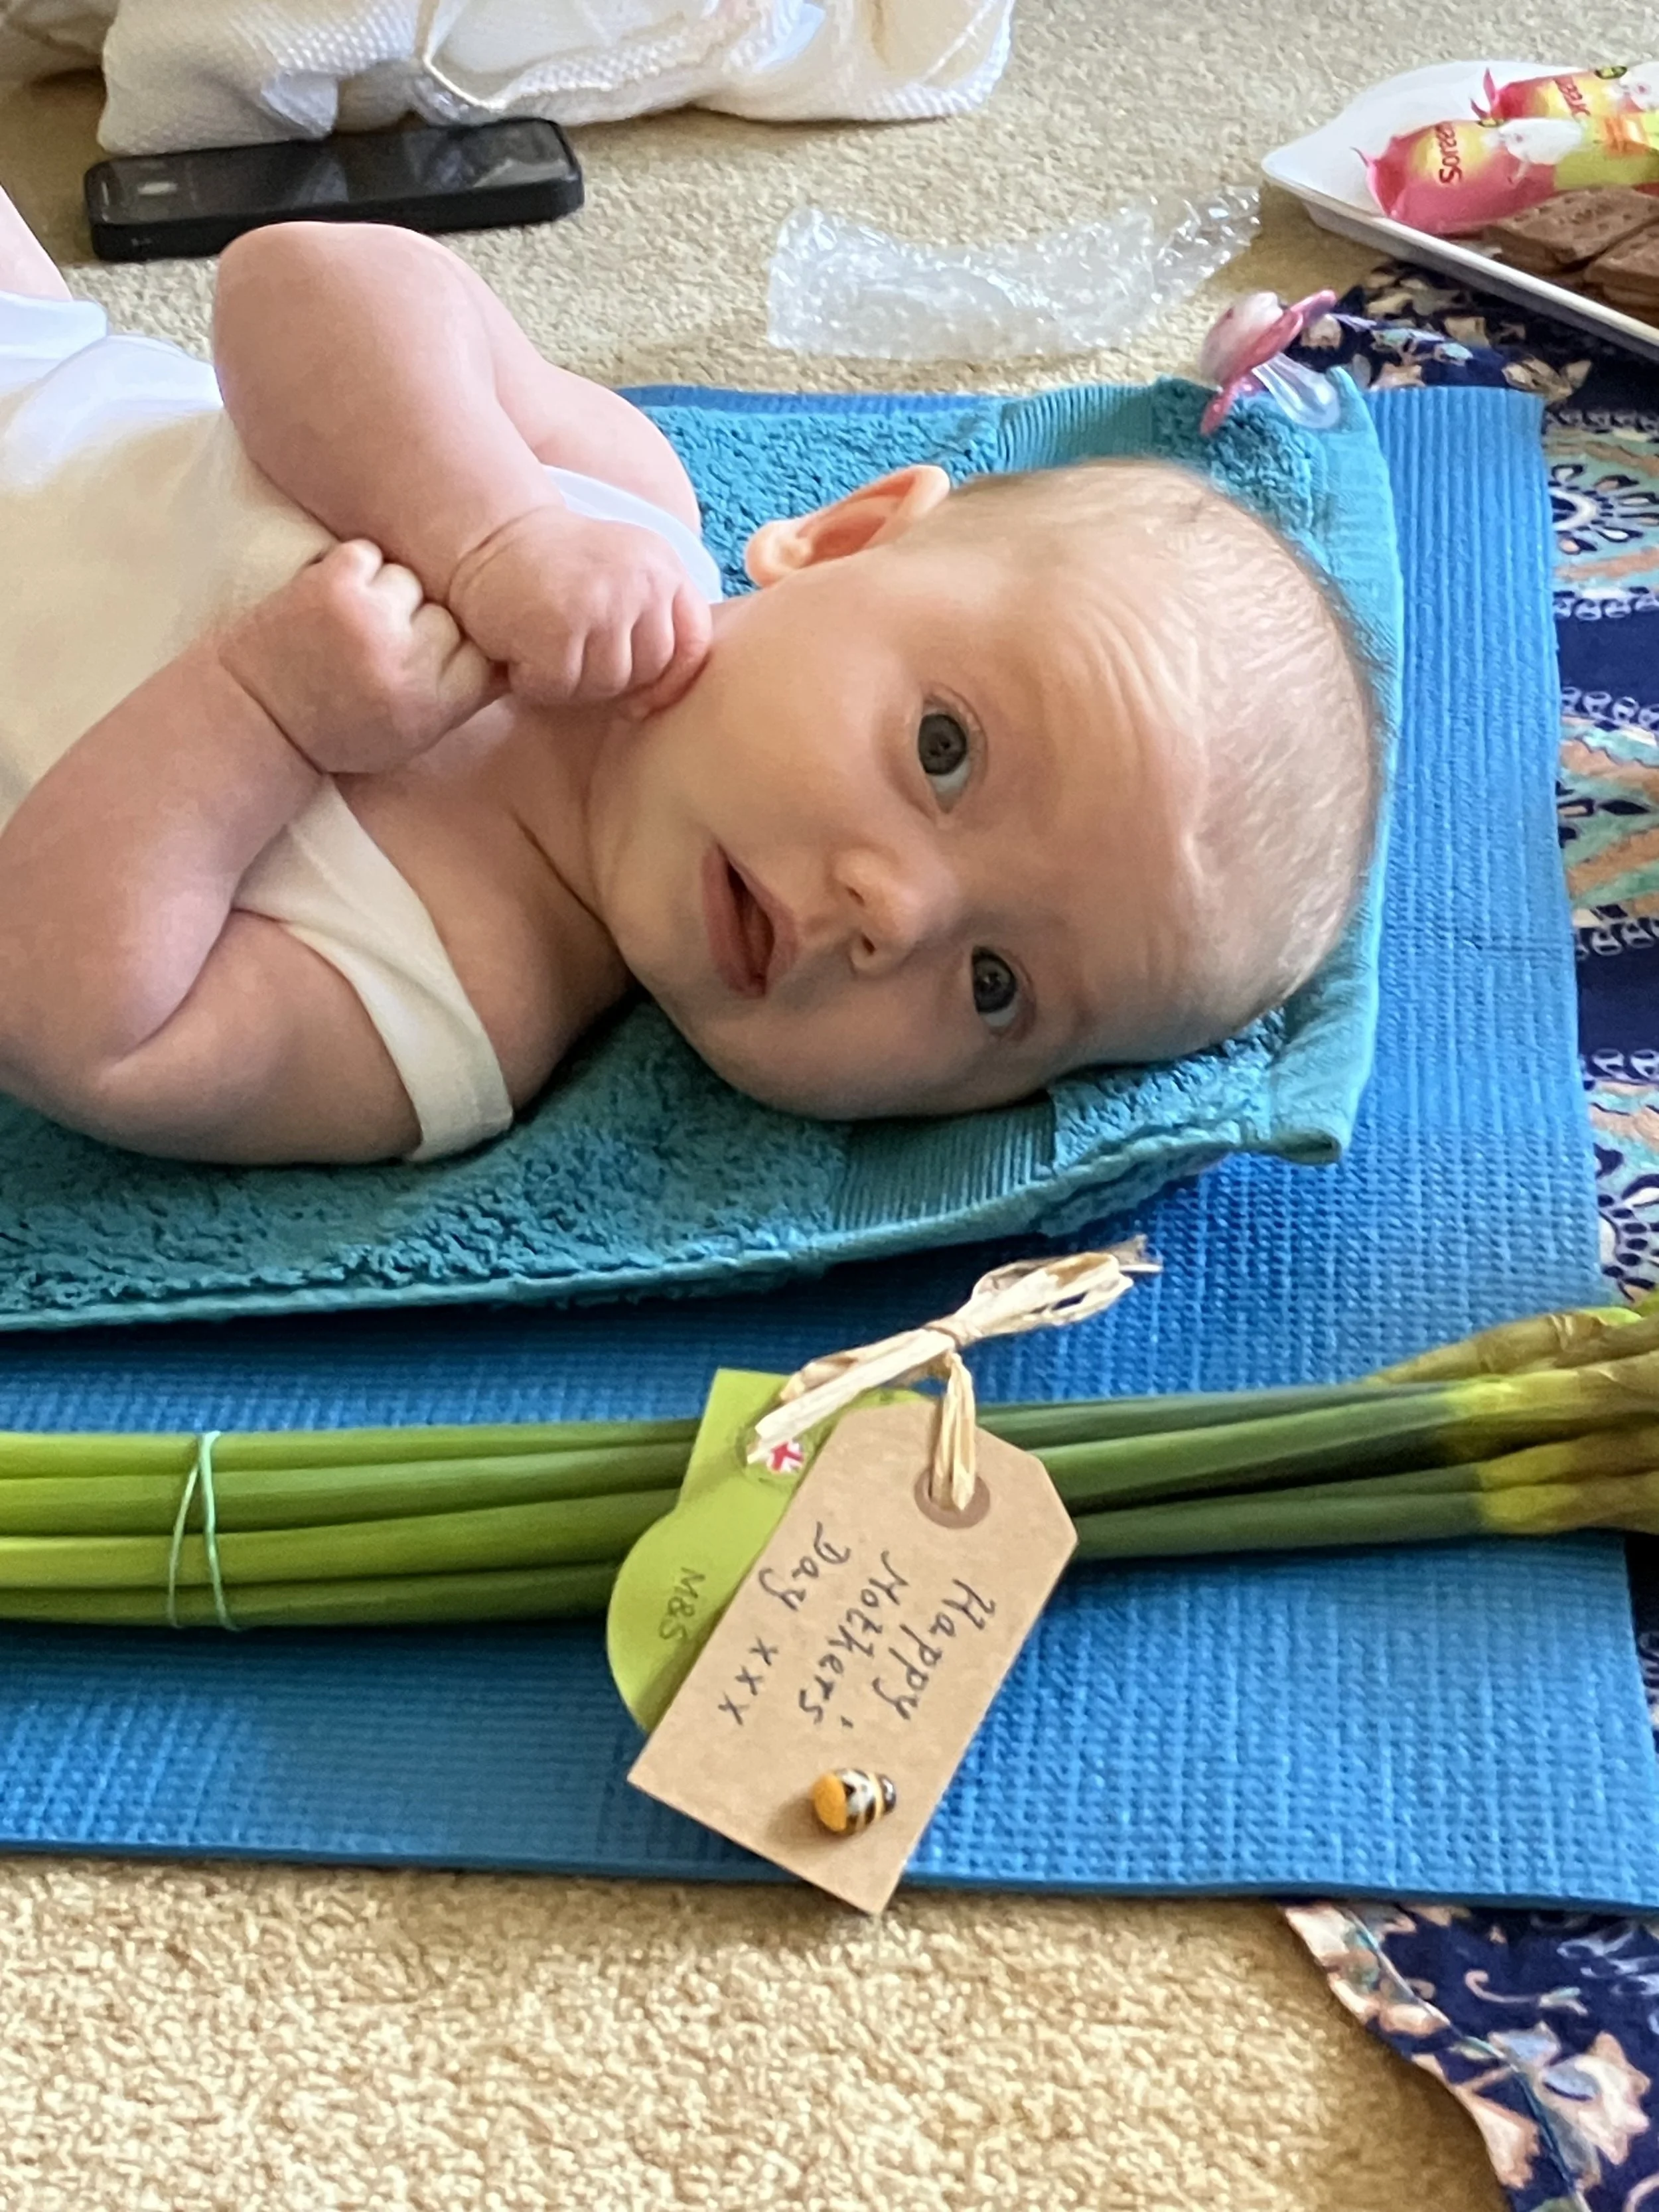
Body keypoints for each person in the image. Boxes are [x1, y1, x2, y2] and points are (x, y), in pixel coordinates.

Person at [0, 200, 1379, 1166]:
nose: (891, 914)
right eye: (945, 749)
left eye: (997, 988)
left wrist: (261, 715)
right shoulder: (615, 498)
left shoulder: (450, 1007)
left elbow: (80, 1034)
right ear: (835, 540)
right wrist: (493, 532)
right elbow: (293, 280)